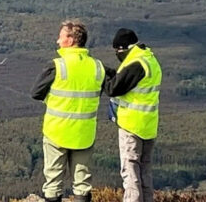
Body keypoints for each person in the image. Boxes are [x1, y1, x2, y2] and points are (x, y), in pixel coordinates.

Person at [31, 20, 113, 202]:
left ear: (70, 39)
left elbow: (36, 93)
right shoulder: (98, 67)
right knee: (82, 183)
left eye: (60, 37)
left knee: (53, 182)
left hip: (56, 132)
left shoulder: (57, 66)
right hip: (84, 133)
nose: (57, 41)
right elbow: (113, 85)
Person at [105, 28, 161, 202]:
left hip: (132, 125)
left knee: (130, 172)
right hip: (149, 125)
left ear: (123, 48)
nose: (116, 54)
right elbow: (126, 81)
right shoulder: (149, 60)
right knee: (144, 172)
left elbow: (112, 88)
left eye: (117, 51)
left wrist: (102, 75)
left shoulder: (135, 64)